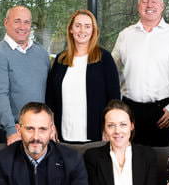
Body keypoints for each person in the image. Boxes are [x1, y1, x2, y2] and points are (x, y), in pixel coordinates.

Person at [112, 0, 169, 146]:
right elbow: (111, 72)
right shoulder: (125, 35)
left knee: (161, 164)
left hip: (163, 113)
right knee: (131, 162)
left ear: (162, 6)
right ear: (138, 7)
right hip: (130, 111)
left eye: (154, 1)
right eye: (144, 1)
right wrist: (116, 107)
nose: (149, 5)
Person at [46, 9, 120, 143]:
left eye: (87, 26)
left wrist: (109, 127)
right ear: (71, 29)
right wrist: (51, 125)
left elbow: (114, 99)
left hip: (96, 135)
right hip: (63, 136)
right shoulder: (60, 59)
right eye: (78, 25)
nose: (82, 30)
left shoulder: (104, 58)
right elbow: (50, 98)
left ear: (93, 31)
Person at [0, 6, 50, 144]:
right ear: (6, 22)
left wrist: (50, 125)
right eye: (17, 21)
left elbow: (48, 94)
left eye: (27, 22)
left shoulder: (41, 54)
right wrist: (11, 130)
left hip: (38, 129)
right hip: (11, 130)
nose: (22, 26)